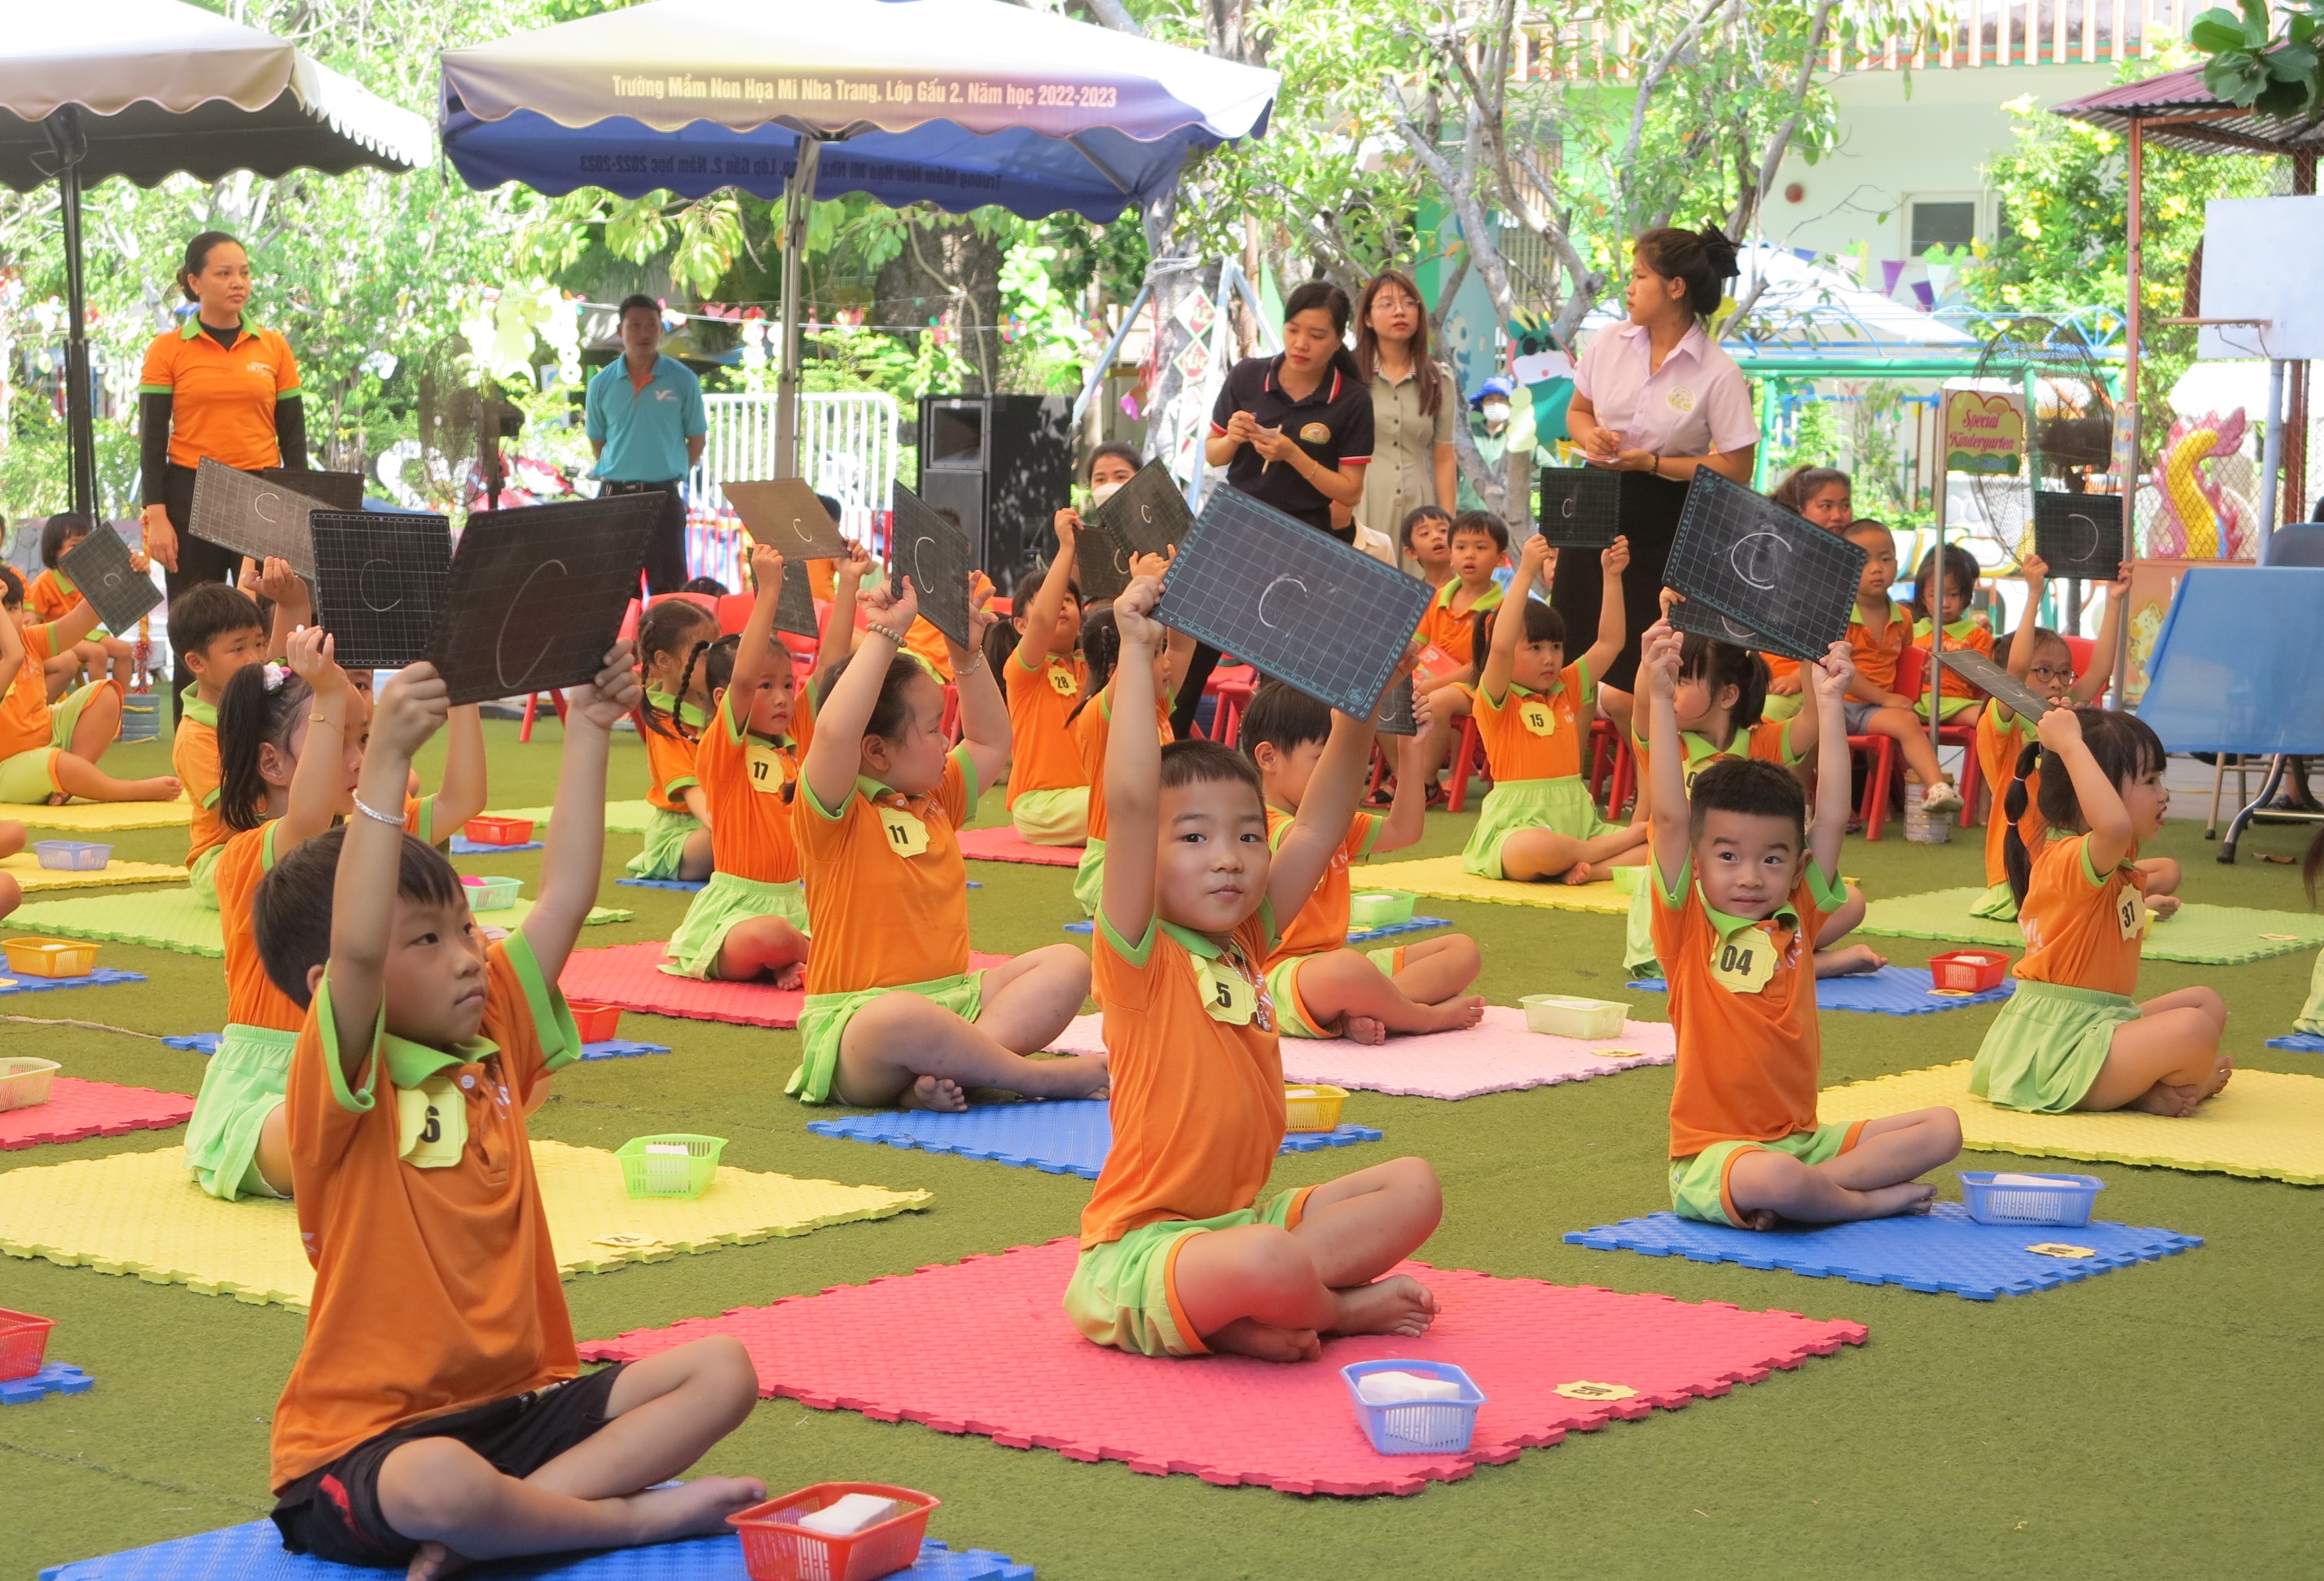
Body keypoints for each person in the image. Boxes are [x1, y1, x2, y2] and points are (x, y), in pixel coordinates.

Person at [257, 652, 763, 1575]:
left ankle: (512, 1525)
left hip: (522, 1411)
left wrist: (589, 729)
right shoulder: (342, 1084)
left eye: (464, 927)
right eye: (429, 940)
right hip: (370, 1448)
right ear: (336, 987)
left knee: (724, 1371)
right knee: (438, 1484)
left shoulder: (488, 1029)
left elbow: (565, 895)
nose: (465, 955)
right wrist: (381, 772)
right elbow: (359, 948)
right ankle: (621, 1522)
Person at [1067, 572, 1442, 1362]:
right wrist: (1138, 650)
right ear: (1147, 859)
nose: (1230, 859)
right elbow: (1133, 803)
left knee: (1414, 1186)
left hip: (1246, 1221)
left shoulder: (1248, 937)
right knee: (1268, 1262)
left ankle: (1253, 1316)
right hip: (1144, 1252)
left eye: (1245, 836)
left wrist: (1362, 705)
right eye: (1195, 838)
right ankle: (1330, 1312)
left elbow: (1319, 825)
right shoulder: (1140, 949)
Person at [1641, 623, 1962, 1230]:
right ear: (1698, 861)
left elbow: (1833, 815)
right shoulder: (1686, 924)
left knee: (1942, 1127)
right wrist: (1659, 699)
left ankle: (1806, 1196)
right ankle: (1859, 1200)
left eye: (1770, 858)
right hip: (1715, 1156)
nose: (1749, 877)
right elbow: (1667, 815)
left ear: (1796, 866)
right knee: (1775, 1176)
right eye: (1728, 856)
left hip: (1803, 1140)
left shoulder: (1796, 909)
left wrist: (1831, 700)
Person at [791, 572, 1105, 1111]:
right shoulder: (835, 812)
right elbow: (833, 733)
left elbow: (990, 740)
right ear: (876, 750)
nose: (946, 739)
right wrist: (887, 635)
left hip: (957, 1003)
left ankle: (959, 1067)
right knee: (897, 1017)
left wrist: (967, 656)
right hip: (860, 1026)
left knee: (1068, 964)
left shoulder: (935, 795)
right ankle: (1033, 1078)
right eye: (935, 727)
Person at [1970, 707, 2226, 1118]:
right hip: (2060, 1049)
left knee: (2205, 1004)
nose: (2163, 794)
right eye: (2149, 781)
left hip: (2099, 1023)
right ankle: (2147, 1090)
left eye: (2160, 779)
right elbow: (2115, 826)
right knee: (2194, 1031)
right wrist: (2071, 745)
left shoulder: (2112, 857)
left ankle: (2147, 1083)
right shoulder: (2069, 857)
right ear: (2096, 791)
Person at [1559, 225, 1758, 740]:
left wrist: (1652, 464)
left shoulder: (1718, 371)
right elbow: (1576, 413)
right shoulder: (1608, 341)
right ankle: (1567, 781)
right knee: (1576, 649)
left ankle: (1657, 793)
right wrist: (1593, 436)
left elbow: (1738, 466)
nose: (1628, 287)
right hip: (1596, 496)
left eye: (1639, 276)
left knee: (1649, 660)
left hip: (1667, 514)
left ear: (1675, 288)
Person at [1623, 617, 1879, 981]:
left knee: (1851, 901)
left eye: (1683, 681)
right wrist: (1660, 639)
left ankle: (1788, 958)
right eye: (1671, 681)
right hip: (1685, 897)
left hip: (1751, 890)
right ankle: (1807, 963)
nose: (1671, 689)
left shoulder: (1764, 742)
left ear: (1727, 695)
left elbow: (1814, 719)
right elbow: (1647, 703)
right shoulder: (1667, 745)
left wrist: (1813, 652)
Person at [1244, 679, 1484, 1043]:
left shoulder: (1333, 823)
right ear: (1268, 757)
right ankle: (1420, 1018)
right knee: (1348, 970)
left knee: (1462, 950)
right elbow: (1308, 833)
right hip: (1276, 977)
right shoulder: (1262, 826)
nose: (1342, 770)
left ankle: (1367, 1010)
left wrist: (1411, 752)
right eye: (1326, 755)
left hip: (1335, 967)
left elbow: (1404, 830)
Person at [1187, 280, 1375, 736]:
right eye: (1293, 330)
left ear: (1339, 339)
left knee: (1282, 667)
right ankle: (1166, 746)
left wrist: (1293, 454)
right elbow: (1213, 456)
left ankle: (1277, 770)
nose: (1301, 344)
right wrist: (1233, 435)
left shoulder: (1350, 399)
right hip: (1234, 529)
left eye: (1317, 334)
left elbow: (1349, 492)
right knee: (1195, 651)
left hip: (1303, 540)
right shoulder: (1248, 376)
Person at [137, 231, 308, 704]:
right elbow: (152, 440)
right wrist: (157, 515)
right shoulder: (168, 349)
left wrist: (300, 511)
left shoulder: (273, 347)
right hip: (191, 492)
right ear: (195, 282)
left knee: (272, 627)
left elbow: (295, 439)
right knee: (196, 628)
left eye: (245, 272)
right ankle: (193, 743)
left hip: (265, 493)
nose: (239, 282)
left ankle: (275, 740)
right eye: (224, 272)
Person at [660, 546, 814, 986]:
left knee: (838, 913)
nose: (783, 696)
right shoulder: (724, 750)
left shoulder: (793, 739)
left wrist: (849, 583)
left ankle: (799, 955)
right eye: (768, 687)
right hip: (738, 909)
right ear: (725, 700)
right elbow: (743, 679)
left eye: (787, 684)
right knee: (771, 934)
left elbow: (834, 661)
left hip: (793, 901)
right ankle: (821, 955)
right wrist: (769, 591)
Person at [1454, 534, 1646, 884]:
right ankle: (1599, 851)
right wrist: (1526, 572)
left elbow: (1611, 642)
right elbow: (1500, 649)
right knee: (1530, 850)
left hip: (1576, 820)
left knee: (1667, 848)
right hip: (1520, 825)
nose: (1550, 658)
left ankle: (1589, 868)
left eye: (1556, 646)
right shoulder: (1497, 698)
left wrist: (1613, 577)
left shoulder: (1568, 686)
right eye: (1536, 647)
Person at [1969, 555, 2137, 920]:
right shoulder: (2004, 727)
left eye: (2063, 672)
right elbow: (2014, 671)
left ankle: (2128, 898)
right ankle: (2127, 901)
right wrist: (2033, 594)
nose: (2057, 682)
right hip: (2017, 876)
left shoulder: (2065, 716)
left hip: (2066, 864)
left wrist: (2114, 600)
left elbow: (2099, 670)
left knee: (2166, 871)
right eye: (2043, 671)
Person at [0, 567, 178, 806]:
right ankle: (128, 790)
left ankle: (68, 784)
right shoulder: (16, 651)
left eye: (12, 608)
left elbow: (79, 621)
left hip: (49, 737)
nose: (8, 616)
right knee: (59, 762)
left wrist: (118, 570)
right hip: (8, 768)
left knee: (106, 693)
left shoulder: (30, 639)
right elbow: (13, 656)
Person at [1067, 584, 1193, 917]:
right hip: (1110, 865)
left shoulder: (1159, 706)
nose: (1166, 662)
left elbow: (1182, 648)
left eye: (1160, 650)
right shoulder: (1100, 714)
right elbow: (1130, 663)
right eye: (1155, 653)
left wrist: (1180, 586)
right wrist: (1137, 607)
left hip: (1155, 855)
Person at [1835, 520, 1964, 816]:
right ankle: (1806, 803)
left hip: (1873, 711)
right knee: (1809, 730)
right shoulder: (1839, 613)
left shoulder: (1903, 617)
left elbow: (1906, 663)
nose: (1877, 568)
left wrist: (1922, 673)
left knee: (1907, 724)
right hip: (1835, 705)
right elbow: (1839, 672)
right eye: (1863, 560)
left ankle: (1936, 788)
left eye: (1885, 558)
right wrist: (1886, 699)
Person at [586, 294, 708, 595]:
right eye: (634, 325)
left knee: (669, 589)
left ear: (661, 330)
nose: (643, 333)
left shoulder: (683, 380)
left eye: (651, 325)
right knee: (615, 590)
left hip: (664, 498)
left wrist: (670, 472)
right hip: (614, 497)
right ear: (620, 330)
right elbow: (598, 442)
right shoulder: (601, 384)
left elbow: (697, 439)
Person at [988, 507, 1088, 846]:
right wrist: (1065, 550)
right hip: (1042, 806)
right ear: (1020, 625)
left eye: (1070, 600)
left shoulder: (1095, 667)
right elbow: (1044, 622)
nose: (1061, 605)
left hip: (1092, 796)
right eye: (1048, 599)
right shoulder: (1023, 672)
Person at [1351, 270, 1456, 569]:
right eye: (1386, 304)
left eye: (1410, 303)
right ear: (1368, 318)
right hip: (1362, 501)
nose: (1400, 311)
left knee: (1419, 598)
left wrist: (1448, 525)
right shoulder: (1349, 375)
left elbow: (1444, 457)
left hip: (1420, 506)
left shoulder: (1438, 379)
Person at [627, 598, 723, 881]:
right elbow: (691, 790)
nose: (716, 662)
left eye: (717, 651)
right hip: (683, 835)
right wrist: (726, 827)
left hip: (723, 815)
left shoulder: (720, 703)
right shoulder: (665, 719)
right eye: (704, 655)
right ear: (664, 661)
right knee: (724, 841)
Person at [1756, 468, 1854, 719]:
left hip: (1815, 681)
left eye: (1845, 505)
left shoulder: (1850, 565)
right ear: (1802, 509)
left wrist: (1798, 677)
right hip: (1766, 677)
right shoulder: (1779, 556)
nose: (1837, 515)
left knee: (1764, 720)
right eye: (1826, 506)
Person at [29, 514, 135, 695]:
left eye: (87, 544)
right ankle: (97, 703)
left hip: (86, 634)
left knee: (124, 650)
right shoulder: (44, 583)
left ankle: (125, 705)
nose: (83, 550)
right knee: (98, 653)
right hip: (59, 637)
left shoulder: (90, 577)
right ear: (55, 550)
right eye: (75, 545)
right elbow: (32, 623)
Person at [1907, 542, 1990, 725]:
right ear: (1922, 597)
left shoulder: (1977, 635)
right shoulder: (1910, 631)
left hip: (1957, 703)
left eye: (1953, 594)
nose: (1944, 603)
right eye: (1935, 595)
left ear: (1966, 596)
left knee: (1987, 719)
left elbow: (1985, 681)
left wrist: (1952, 660)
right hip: (1914, 702)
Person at [1400, 505, 1454, 590]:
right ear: (1412, 552)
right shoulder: (1413, 592)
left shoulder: (1470, 585)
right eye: (1425, 533)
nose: (1436, 536)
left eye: (1443, 530)